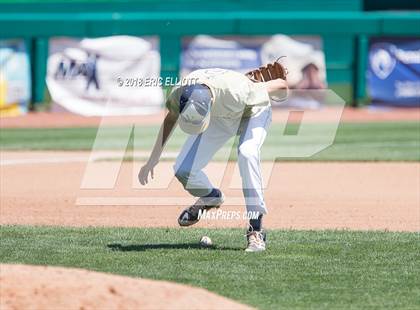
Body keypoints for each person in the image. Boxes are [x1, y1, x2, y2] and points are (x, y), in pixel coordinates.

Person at [138, 68, 288, 252]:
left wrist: (282, 89)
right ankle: (211, 197)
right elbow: (171, 119)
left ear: (209, 102)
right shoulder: (180, 92)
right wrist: (153, 158)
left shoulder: (238, 90)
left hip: (253, 113)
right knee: (183, 169)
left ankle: (256, 230)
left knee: (247, 153)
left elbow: (281, 84)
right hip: (219, 116)